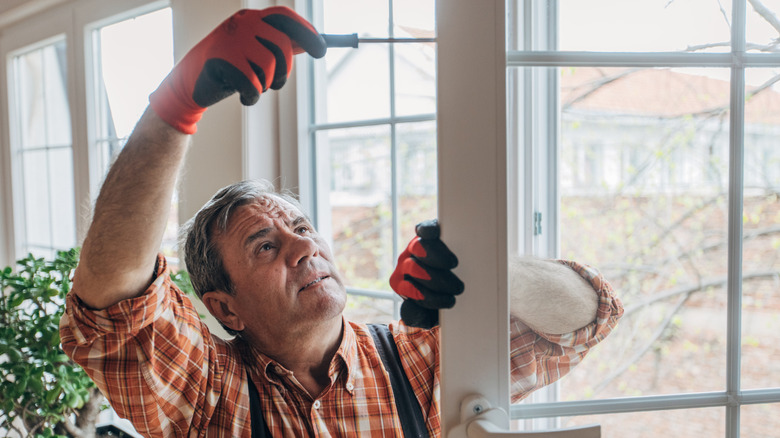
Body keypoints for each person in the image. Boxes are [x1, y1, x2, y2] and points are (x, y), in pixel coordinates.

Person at [59, 7, 623, 437]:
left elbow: (587, 317)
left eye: (302, 230)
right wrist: (175, 105)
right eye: (263, 245)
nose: (302, 250)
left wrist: (483, 269)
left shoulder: (415, 362)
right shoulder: (210, 391)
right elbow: (114, 304)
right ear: (225, 307)